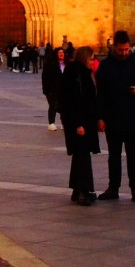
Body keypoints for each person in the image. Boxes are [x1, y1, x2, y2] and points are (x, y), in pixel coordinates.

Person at [95, 30, 135, 202]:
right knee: (113, 156)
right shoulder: (105, 66)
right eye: (121, 50)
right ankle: (113, 188)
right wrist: (100, 118)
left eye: (127, 49)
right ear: (114, 48)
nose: (124, 53)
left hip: (133, 117)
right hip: (112, 118)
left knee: (133, 155)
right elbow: (100, 94)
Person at [58, 46, 100, 206]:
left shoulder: (81, 72)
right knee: (83, 156)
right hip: (79, 123)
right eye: (91, 58)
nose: (93, 61)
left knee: (79, 155)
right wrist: (78, 124)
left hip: (84, 121)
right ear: (84, 58)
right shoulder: (76, 74)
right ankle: (84, 191)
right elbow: (71, 101)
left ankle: (77, 191)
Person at [42, 47, 65, 131]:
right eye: (59, 53)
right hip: (52, 89)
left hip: (64, 89)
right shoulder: (50, 65)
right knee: (53, 106)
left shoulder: (67, 64)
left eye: (62, 52)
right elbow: (45, 78)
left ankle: (63, 122)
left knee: (64, 106)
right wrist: (47, 90)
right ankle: (51, 123)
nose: (61, 54)